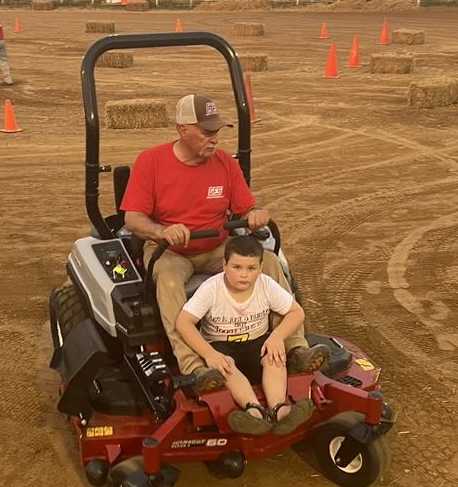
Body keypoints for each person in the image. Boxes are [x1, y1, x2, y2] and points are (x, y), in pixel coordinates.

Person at [120, 93, 329, 391]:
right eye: (207, 132)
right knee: (166, 280)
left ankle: (294, 348)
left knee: (268, 260)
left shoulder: (225, 164)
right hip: (170, 250)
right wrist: (161, 232)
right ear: (183, 130)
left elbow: (247, 207)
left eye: (217, 132)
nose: (215, 139)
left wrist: (256, 213)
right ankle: (195, 367)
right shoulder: (151, 161)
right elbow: (133, 219)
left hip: (217, 246)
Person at [176, 235, 315, 435]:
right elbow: (183, 322)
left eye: (251, 269)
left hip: (257, 341)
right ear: (224, 265)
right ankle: (254, 412)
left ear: (260, 268)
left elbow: (297, 312)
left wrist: (276, 337)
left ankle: (280, 410)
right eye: (237, 267)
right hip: (220, 345)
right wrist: (209, 354)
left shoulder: (266, 284)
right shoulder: (212, 289)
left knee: (275, 357)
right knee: (226, 366)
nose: (244, 275)